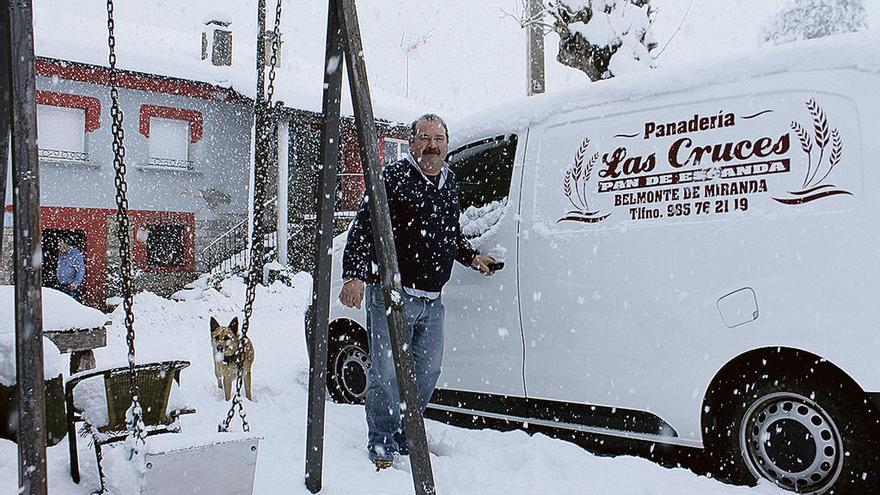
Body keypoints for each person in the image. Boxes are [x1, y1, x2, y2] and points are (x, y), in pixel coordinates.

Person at [339, 113, 497, 469]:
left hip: (432, 299)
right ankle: (381, 438)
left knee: (428, 371)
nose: (431, 145)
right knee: (386, 371)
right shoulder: (393, 178)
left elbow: (448, 234)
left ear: (446, 143)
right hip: (393, 295)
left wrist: (472, 257)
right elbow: (365, 227)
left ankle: (406, 430)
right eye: (424, 138)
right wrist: (354, 276)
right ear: (411, 142)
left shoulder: (450, 182)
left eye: (438, 139)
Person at [56, 238, 85, 303]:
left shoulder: (76, 255)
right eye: (58, 246)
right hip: (61, 284)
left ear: (66, 245)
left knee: (72, 304)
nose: (59, 248)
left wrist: (75, 283)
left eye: (60, 246)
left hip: (71, 287)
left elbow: (81, 270)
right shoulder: (61, 254)